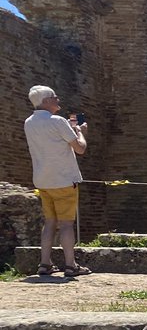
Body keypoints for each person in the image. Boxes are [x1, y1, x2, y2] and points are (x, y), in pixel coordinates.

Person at [24, 85, 92, 277]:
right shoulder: (58, 121)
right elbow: (80, 149)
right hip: (63, 179)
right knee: (67, 224)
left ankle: (45, 264)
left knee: (50, 222)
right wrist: (80, 132)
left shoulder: (29, 122)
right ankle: (71, 265)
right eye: (54, 97)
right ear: (46, 101)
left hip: (43, 180)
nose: (58, 100)